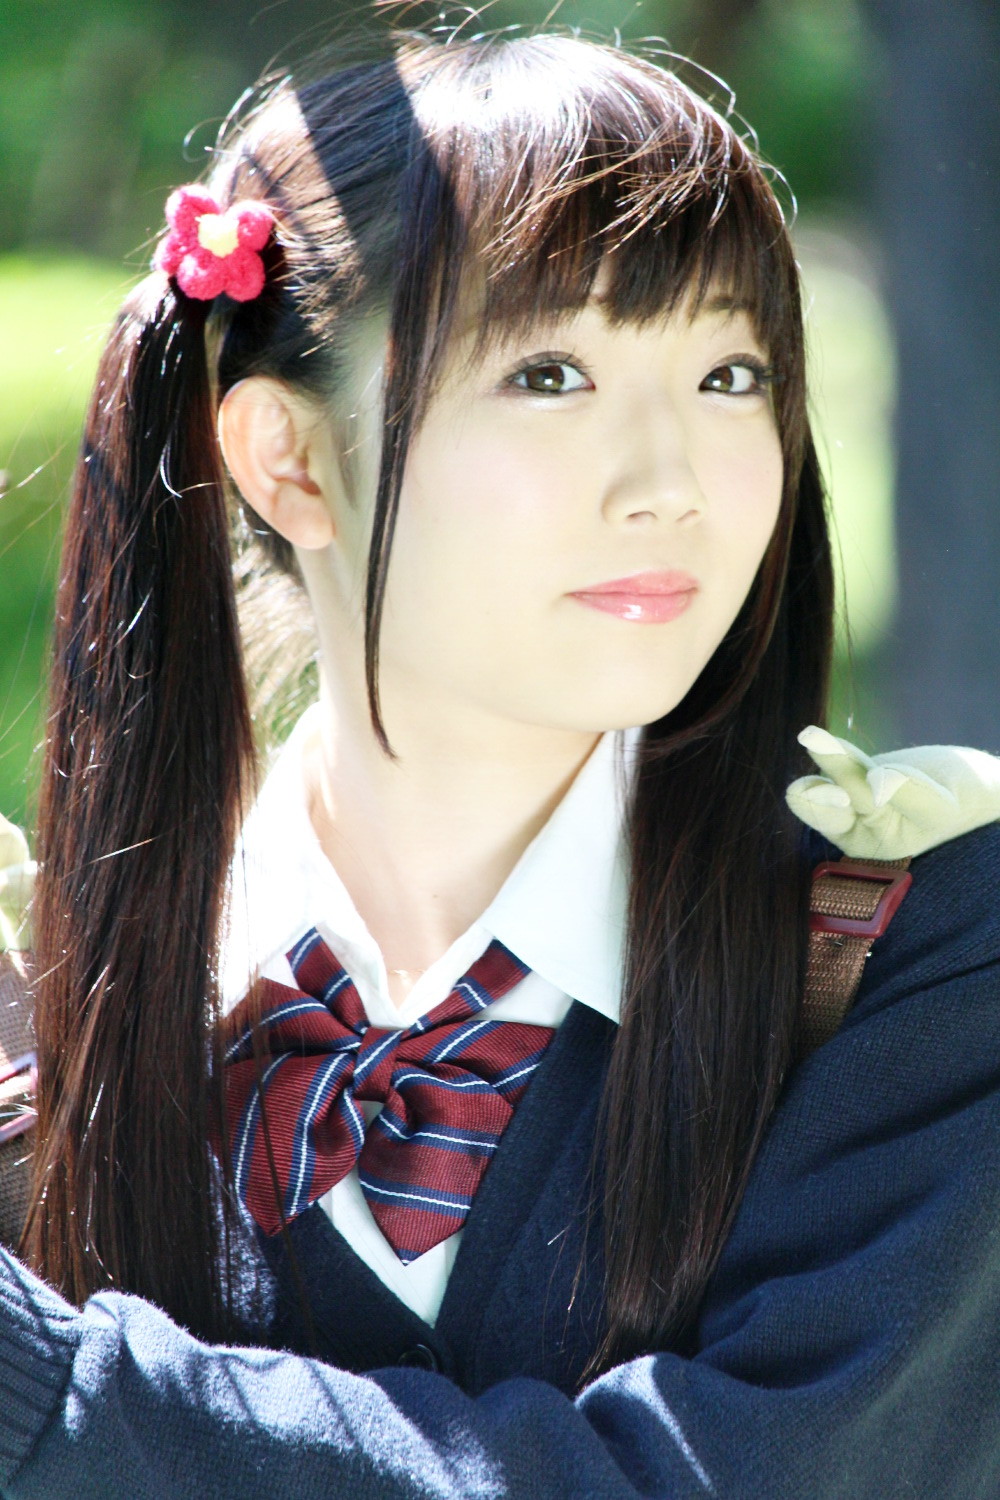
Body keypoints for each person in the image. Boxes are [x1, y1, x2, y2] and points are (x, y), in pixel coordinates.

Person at [2, 26, 1000, 1498]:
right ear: (288, 459)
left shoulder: (916, 955)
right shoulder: (46, 1012)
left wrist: (53, 1393)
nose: (671, 482)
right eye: (549, 373)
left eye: (731, 374)